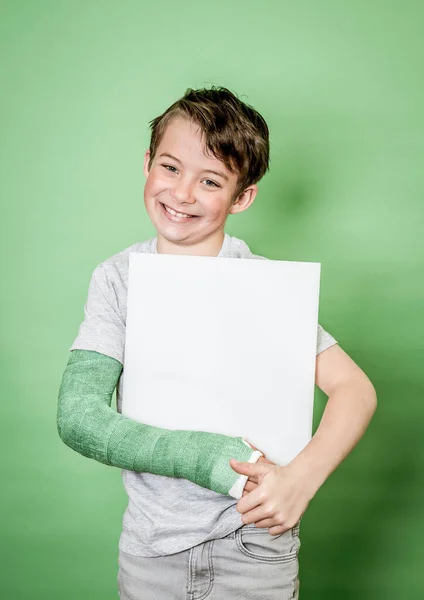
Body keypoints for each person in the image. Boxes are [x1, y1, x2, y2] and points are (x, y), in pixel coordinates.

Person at [57, 86, 377, 599]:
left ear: (242, 196)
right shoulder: (118, 279)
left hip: (256, 546)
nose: (182, 194)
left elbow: (355, 391)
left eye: (210, 181)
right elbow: (79, 417)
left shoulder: (269, 287)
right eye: (170, 168)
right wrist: (210, 458)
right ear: (147, 164)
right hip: (151, 549)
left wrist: (301, 480)